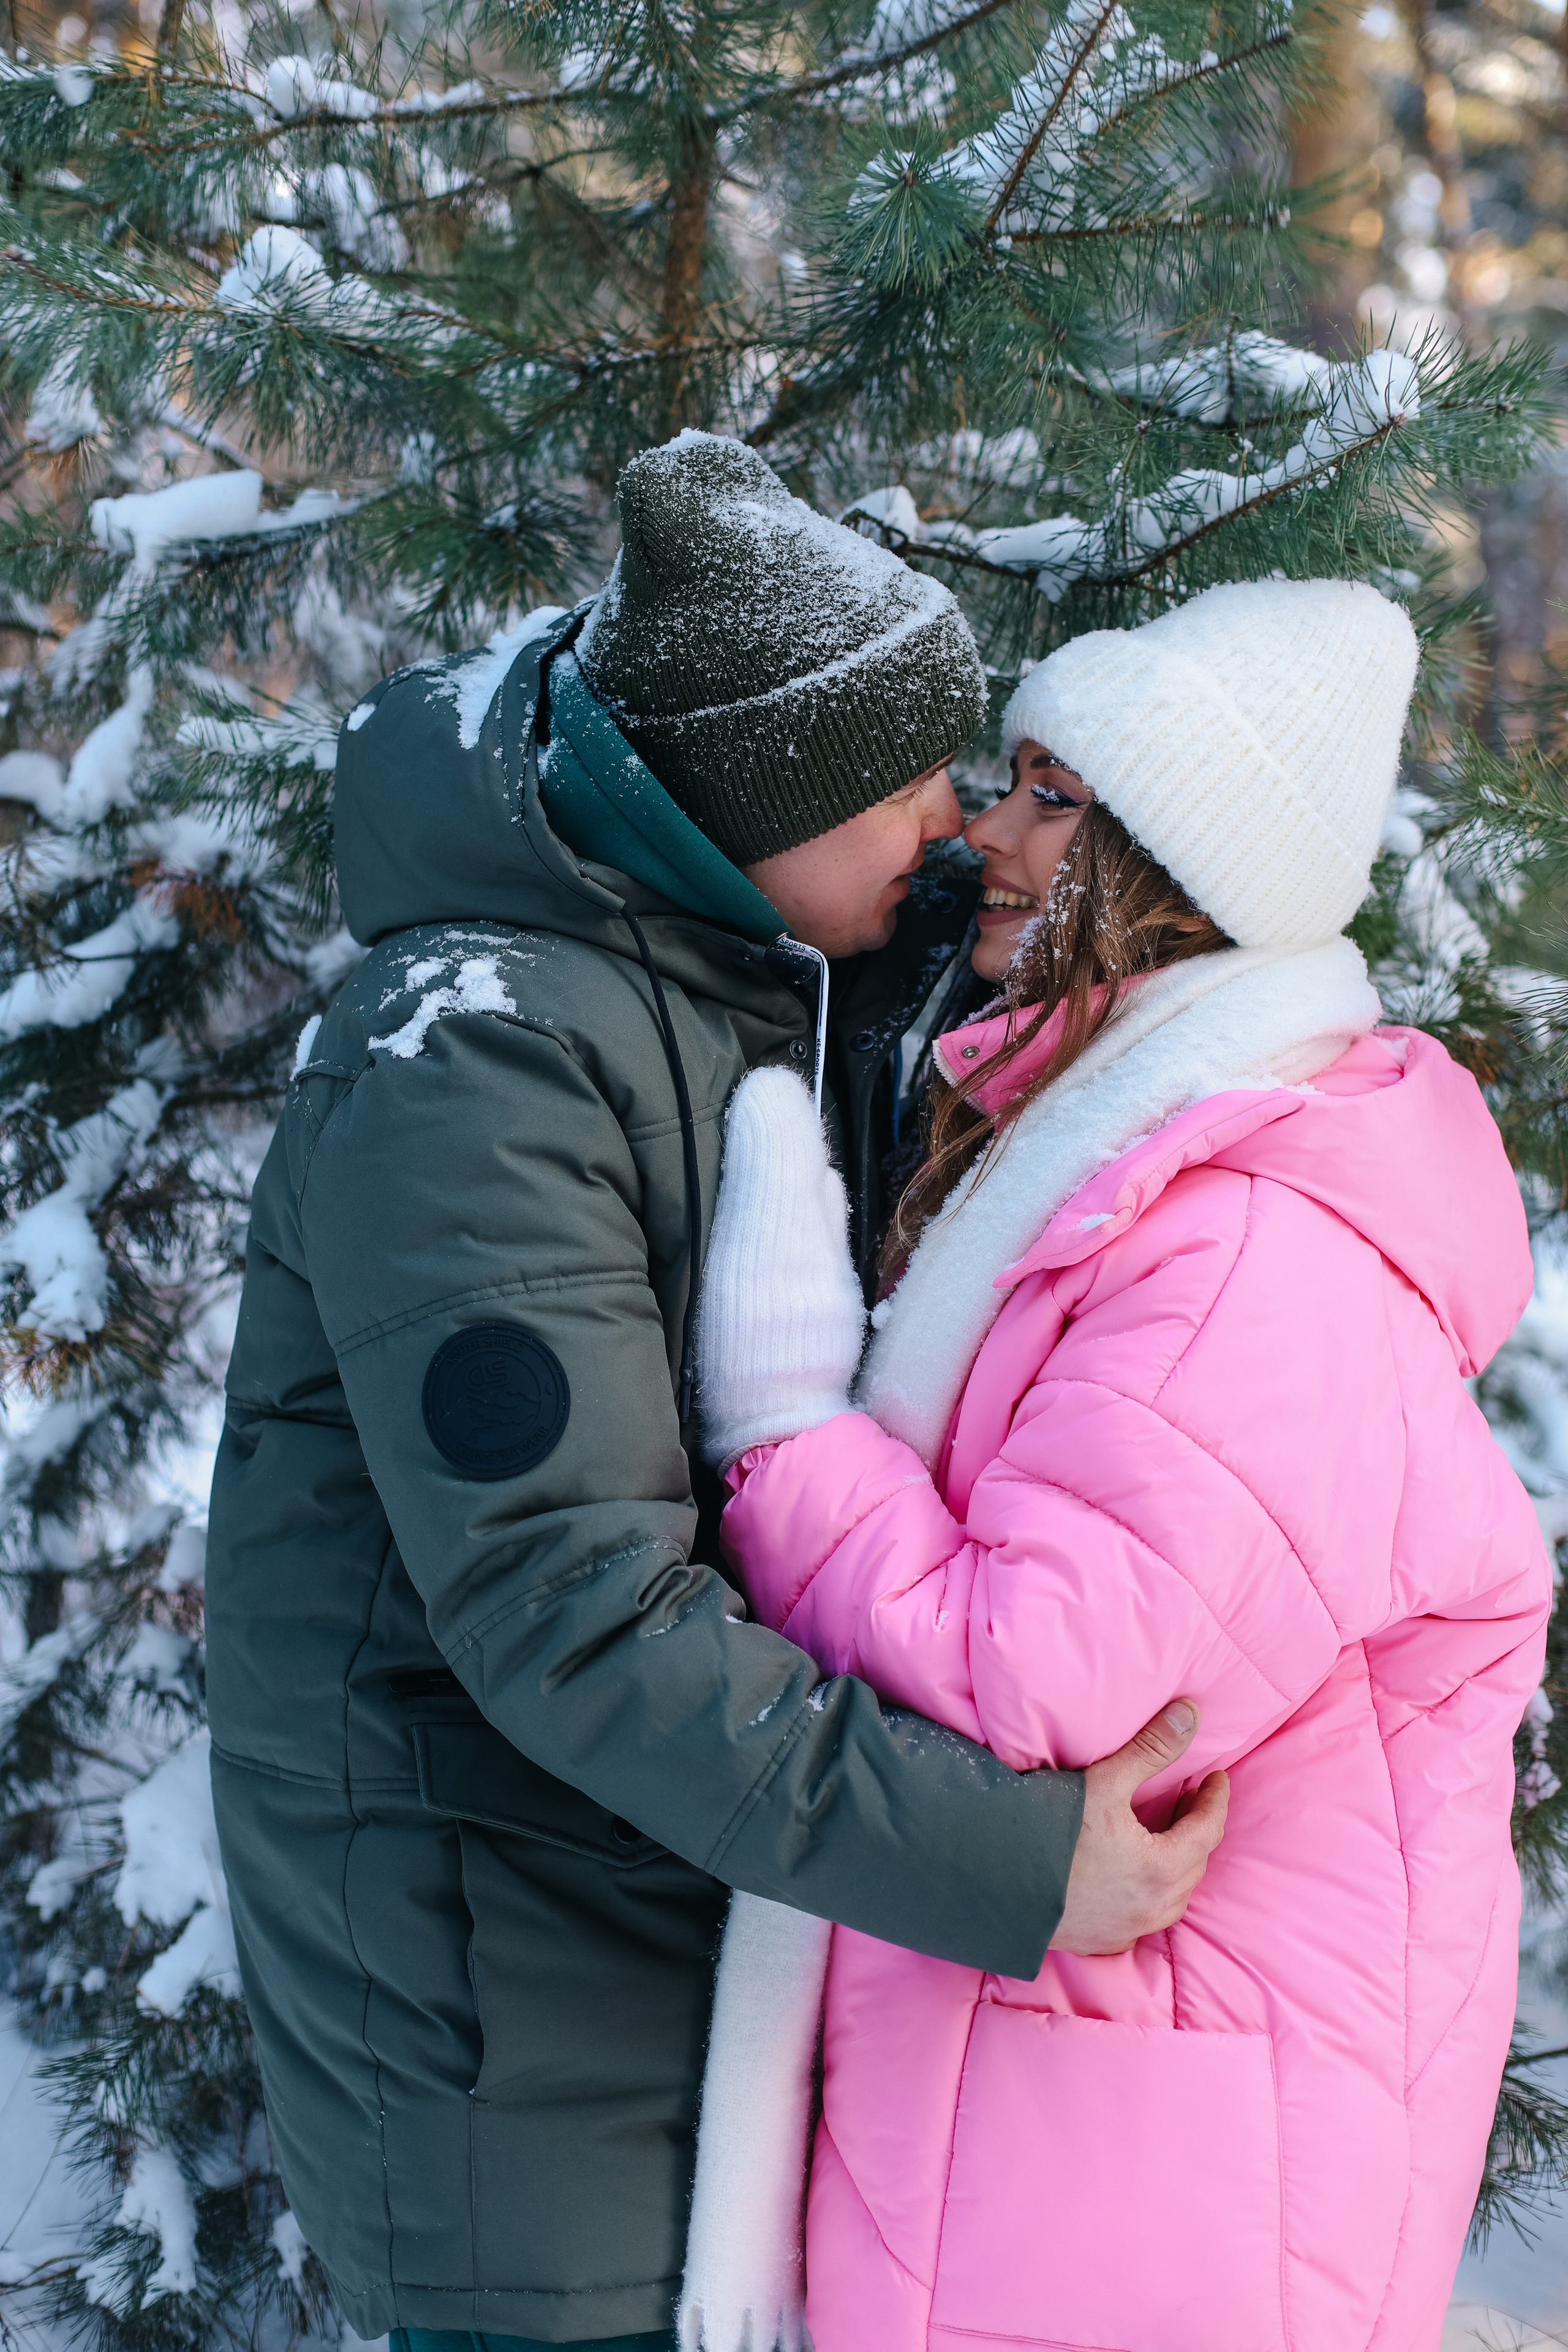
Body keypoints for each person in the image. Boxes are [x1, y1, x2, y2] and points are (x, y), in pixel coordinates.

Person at [203, 432, 1228, 2352]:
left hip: (681, 1935)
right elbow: (567, 1606)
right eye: (911, 780)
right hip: (509, 2018)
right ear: (754, 797)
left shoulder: (749, 969)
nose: (953, 822)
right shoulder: (479, 1064)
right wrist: (1013, 1866)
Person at [690, 577, 1553, 2352]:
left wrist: (785, 1433)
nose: (987, 834)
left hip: (1146, 2195)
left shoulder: (1252, 1254)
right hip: (1075, 2132)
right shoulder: (1134, 1181)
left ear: (1176, 873)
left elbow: (1042, 1678)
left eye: (1051, 796)